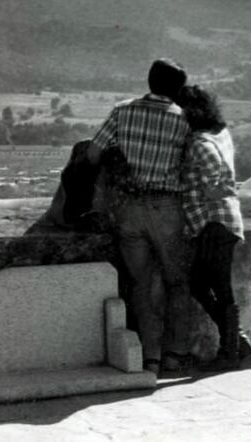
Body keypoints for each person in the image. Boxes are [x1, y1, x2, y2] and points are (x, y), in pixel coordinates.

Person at [86, 58, 194, 375]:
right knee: (176, 282)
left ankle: (150, 357)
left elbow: (92, 153)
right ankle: (177, 353)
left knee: (140, 284)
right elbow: (191, 167)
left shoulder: (122, 111)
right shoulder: (183, 120)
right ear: (178, 88)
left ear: (149, 81)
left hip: (129, 209)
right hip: (167, 209)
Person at [176, 85, 251, 371]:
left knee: (209, 284)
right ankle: (235, 343)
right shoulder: (220, 134)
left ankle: (232, 349)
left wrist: (212, 187)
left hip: (213, 220)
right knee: (213, 284)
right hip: (225, 220)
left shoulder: (199, 141)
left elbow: (215, 169)